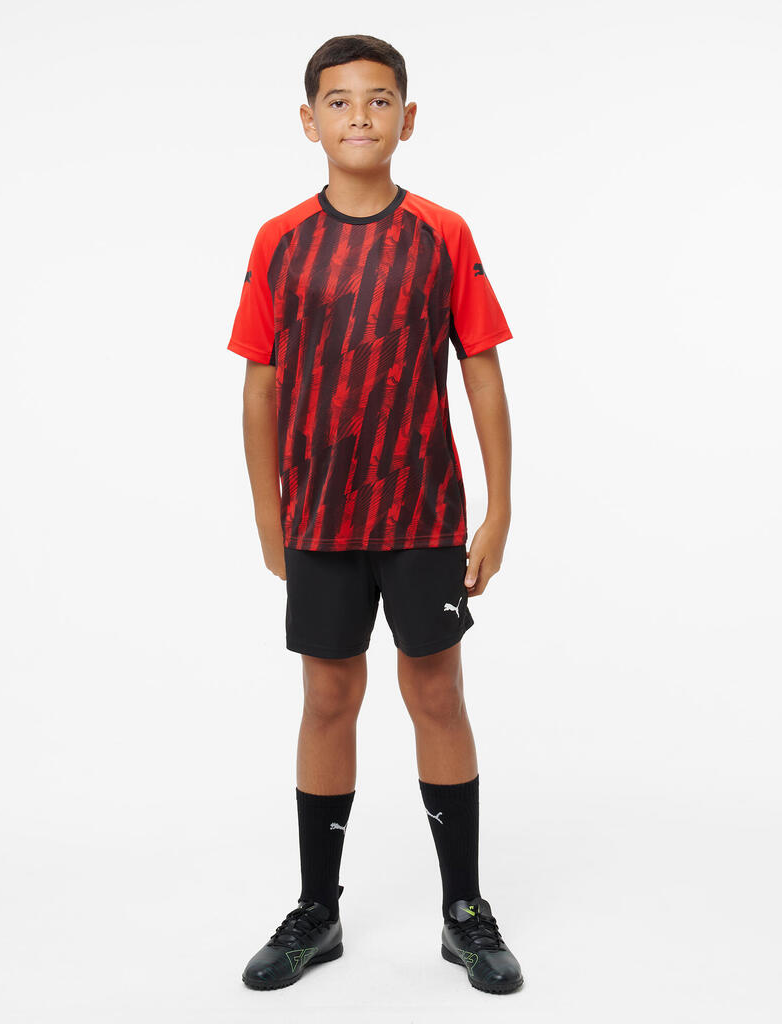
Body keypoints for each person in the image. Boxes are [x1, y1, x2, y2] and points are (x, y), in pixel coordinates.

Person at [226, 33, 523, 995]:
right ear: (309, 121)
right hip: (318, 517)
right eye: (340, 100)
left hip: (424, 513)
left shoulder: (444, 233)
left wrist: (498, 510)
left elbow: (482, 372)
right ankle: (317, 910)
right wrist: (269, 517)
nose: (361, 114)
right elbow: (260, 386)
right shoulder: (279, 241)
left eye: (380, 99)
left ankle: (464, 911)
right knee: (327, 698)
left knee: (437, 695)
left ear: (408, 117)